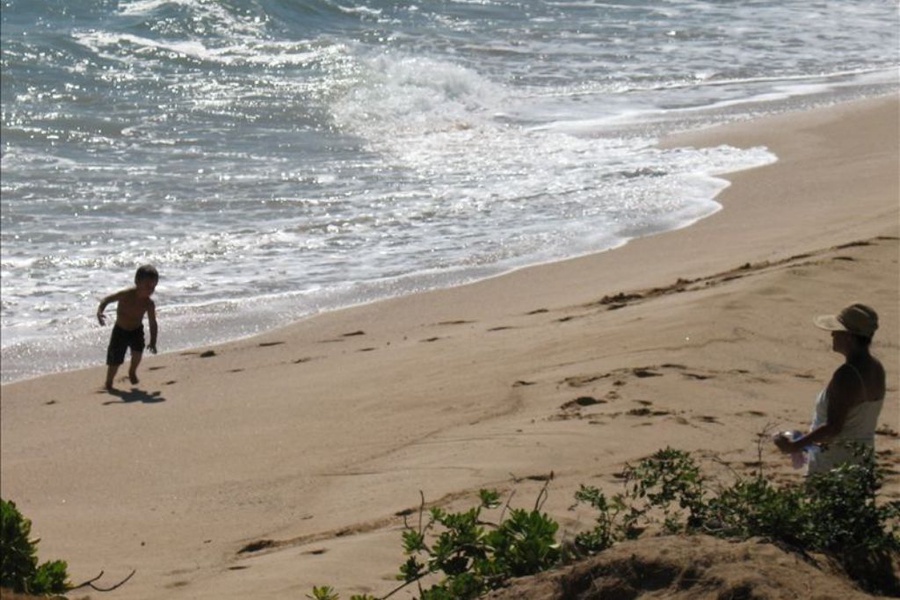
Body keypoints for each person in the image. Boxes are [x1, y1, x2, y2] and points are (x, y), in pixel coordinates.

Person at [774, 303, 886, 475]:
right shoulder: (876, 367)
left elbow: (834, 428)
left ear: (849, 337)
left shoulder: (847, 375)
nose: (832, 334)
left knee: (829, 500)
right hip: (862, 458)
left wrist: (794, 446)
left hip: (835, 463)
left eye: (837, 331)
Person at [97, 265, 159, 390]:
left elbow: (153, 323)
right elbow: (106, 300)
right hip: (120, 330)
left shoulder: (149, 304)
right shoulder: (126, 295)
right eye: (147, 285)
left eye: (153, 286)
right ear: (137, 281)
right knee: (115, 360)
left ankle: (132, 371)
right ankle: (109, 382)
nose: (150, 289)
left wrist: (153, 341)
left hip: (136, 330)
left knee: (138, 353)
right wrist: (100, 311)